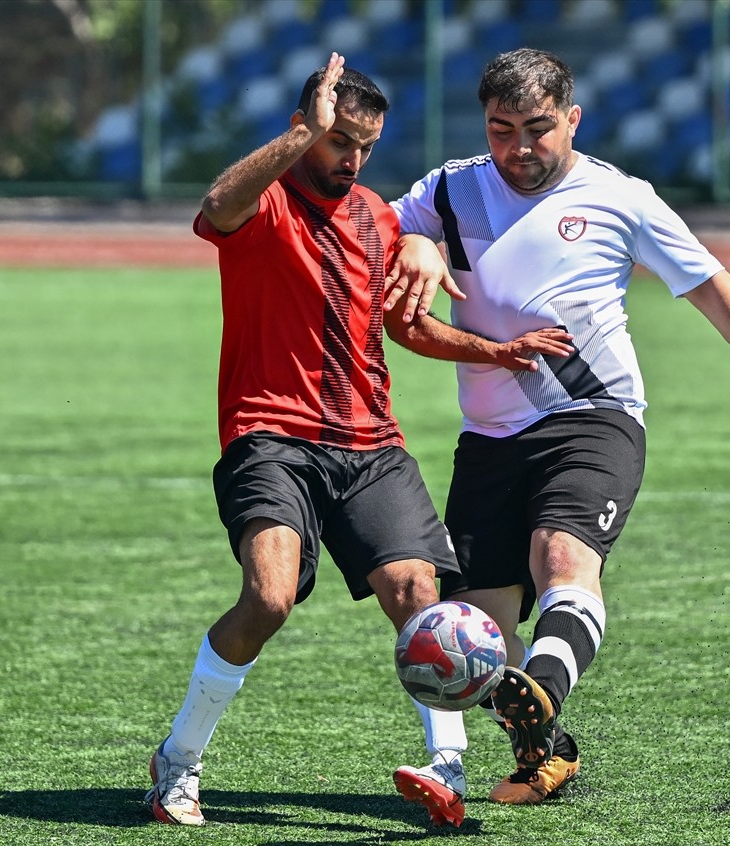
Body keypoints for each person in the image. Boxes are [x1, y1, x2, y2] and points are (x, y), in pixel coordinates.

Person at [381, 48, 730, 826]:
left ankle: (544, 691)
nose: (519, 148)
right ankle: (549, 746)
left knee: (561, 557)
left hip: (594, 416)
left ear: (572, 119)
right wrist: (415, 242)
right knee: (478, 632)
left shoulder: (620, 197)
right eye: (500, 130)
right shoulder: (451, 190)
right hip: (488, 437)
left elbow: (709, 285)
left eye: (537, 128)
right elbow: (373, 232)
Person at [142, 53, 560, 827]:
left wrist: (496, 350)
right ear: (305, 128)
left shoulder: (376, 216)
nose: (353, 160)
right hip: (272, 435)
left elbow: (408, 325)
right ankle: (180, 758)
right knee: (268, 598)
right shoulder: (266, 200)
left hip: (371, 445)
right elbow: (216, 204)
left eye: (366, 146)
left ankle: (447, 768)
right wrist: (301, 136)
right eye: (340, 141)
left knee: (419, 596)